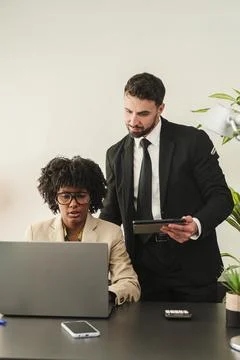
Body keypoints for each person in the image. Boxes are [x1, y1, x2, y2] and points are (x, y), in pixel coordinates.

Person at [100, 72, 234, 302]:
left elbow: (222, 198)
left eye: (143, 113)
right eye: (128, 111)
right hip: (142, 270)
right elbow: (111, 215)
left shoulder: (193, 141)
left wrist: (197, 225)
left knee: (199, 338)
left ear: (160, 108)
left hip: (192, 267)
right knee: (144, 338)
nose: (133, 121)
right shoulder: (115, 154)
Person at [25, 155, 140, 305]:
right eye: (65, 196)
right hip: (47, 309)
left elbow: (130, 283)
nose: (73, 204)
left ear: (91, 197)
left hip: (93, 310)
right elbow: (26, 283)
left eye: (80, 196)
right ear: (54, 197)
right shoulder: (36, 232)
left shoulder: (111, 233)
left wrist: (107, 296)